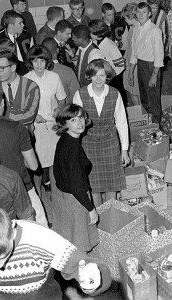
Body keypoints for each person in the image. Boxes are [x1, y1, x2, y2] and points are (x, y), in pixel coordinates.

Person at [0, 205, 112, 298]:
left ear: (13, 228)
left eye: (3, 255)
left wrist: (96, 278)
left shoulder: (40, 239)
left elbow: (89, 266)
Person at [0, 85, 48, 227]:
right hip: (21, 185)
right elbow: (33, 165)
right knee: (39, 224)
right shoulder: (17, 127)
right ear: (3, 103)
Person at [73, 59, 130, 205]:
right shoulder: (80, 94)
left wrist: (124, 150)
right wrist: (76, 150)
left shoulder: (114, 94)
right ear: (89, 76)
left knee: (112, 185)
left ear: (107, 76)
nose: (98, 79)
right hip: (89, 144)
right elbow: (75, 124)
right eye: (94, 75)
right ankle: (98, 220)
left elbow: (122, 122)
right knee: (94, 187)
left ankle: (112, 218)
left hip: (110, 142)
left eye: (102, 75)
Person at [53, 104, 99, 252]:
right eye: (73, 120)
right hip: (75, 198)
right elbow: (76, 183)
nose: (79, 123)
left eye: (80, 117)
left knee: (69, 239)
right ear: (65, 124)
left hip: (64, 196)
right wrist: (91, 208)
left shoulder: (65, 140)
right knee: (79, 243)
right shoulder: (71, 147)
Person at [24, 46, 67, 194]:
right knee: (38, 163)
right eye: (35, 61)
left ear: (46, 61)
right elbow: (23, 107)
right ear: (31, 62)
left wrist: (59, 109)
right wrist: (34, 116)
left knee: (55, 161)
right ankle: (38, 193)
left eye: (41, 60)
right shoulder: (26, 79)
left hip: (53, 125)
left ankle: (56, 192)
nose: (39, 64)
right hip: (36, 127)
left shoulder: (54, 77)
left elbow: (62, 100)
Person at [129, 2, 164, 124]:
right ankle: (150, 123)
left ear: (149, 14)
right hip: (140, 65)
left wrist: (154, 75)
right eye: (138, 12)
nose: (141, 15)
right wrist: (131, 70)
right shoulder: (136, 28)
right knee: (144, 97)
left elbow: (159, 55)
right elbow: (134, 51)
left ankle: (156, 127)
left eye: (144, 12)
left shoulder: (155, 31)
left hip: (151, 67)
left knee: (153, 99)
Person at [0, 51, 40, 132]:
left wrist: (1, 117)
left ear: (13, 68)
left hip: (24, 136)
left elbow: (30, 116)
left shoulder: (31, 86)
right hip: (0, 135)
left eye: (2, 68)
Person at [0, 10, 34, 75]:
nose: (23, 25)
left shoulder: (28, 36)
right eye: (20, 23)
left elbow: (33, 56)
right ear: (11, 25)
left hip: (27, 72)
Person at [89, 19, 126, 103]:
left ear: (97, 34)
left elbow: (120, 65)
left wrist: (110, 76)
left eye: (91, 32)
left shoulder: (110, 45)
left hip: (113, 79)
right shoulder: (94, 42)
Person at [41, 38, 80, 102]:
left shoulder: (37, 72)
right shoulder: (68, 71)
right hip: (65, 109)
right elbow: (76, 96)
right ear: (57, 50)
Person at [120, 3, 141, 106]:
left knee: (134, 91)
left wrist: (130, 68)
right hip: (129, 61)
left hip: (134, 65)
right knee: (132, 90)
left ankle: (140, 115)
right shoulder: (133, 27)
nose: (125, 20)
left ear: (131, 17)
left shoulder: (137, 29)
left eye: (125, 18)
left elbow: (135, 52)